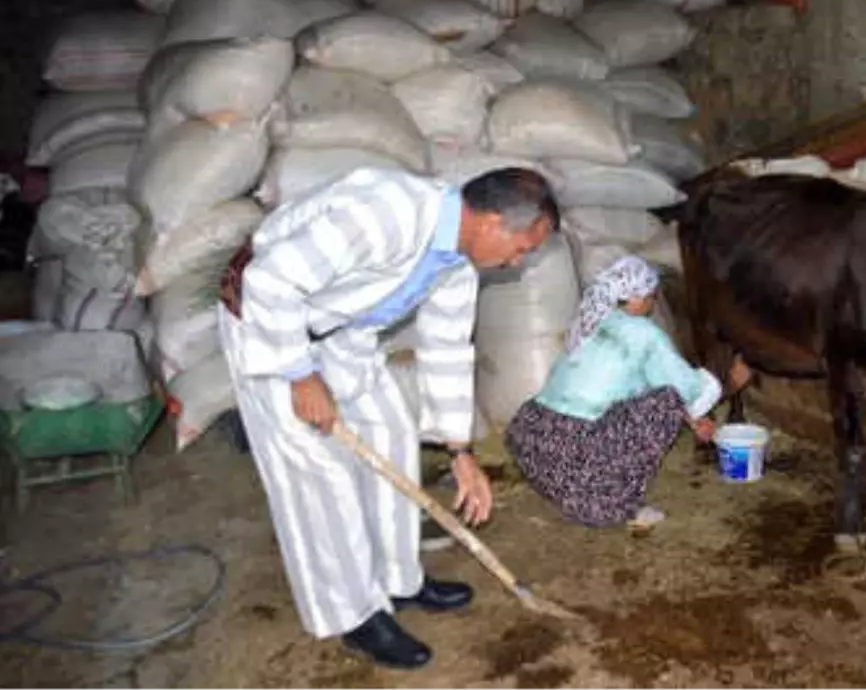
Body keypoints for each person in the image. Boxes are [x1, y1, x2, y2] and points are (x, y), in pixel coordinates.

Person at [216, 165, 558, 670]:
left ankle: (400, 581)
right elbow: (269, 280)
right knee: (321, 474)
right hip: (270, 326)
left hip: (339, 328)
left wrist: (458, 451)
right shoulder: (386, 213)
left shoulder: (458, 262)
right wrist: (298, 375)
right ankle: (353, 614)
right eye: (521, 248)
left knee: (392, 431)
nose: (516, 263)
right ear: (489, 221)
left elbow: (444, 349)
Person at [505, 255, 723, 530]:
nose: (652, 304)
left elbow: (628, 383)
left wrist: (691, 419)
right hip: (570, 448)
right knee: (666, 403)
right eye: (651, 297)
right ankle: (615, 505)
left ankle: (567, 489)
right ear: (635, 299)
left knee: (650, 400)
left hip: (533, 441)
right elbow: (686, 388)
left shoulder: (591, 319)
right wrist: (721, 384)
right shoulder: (644, 332)